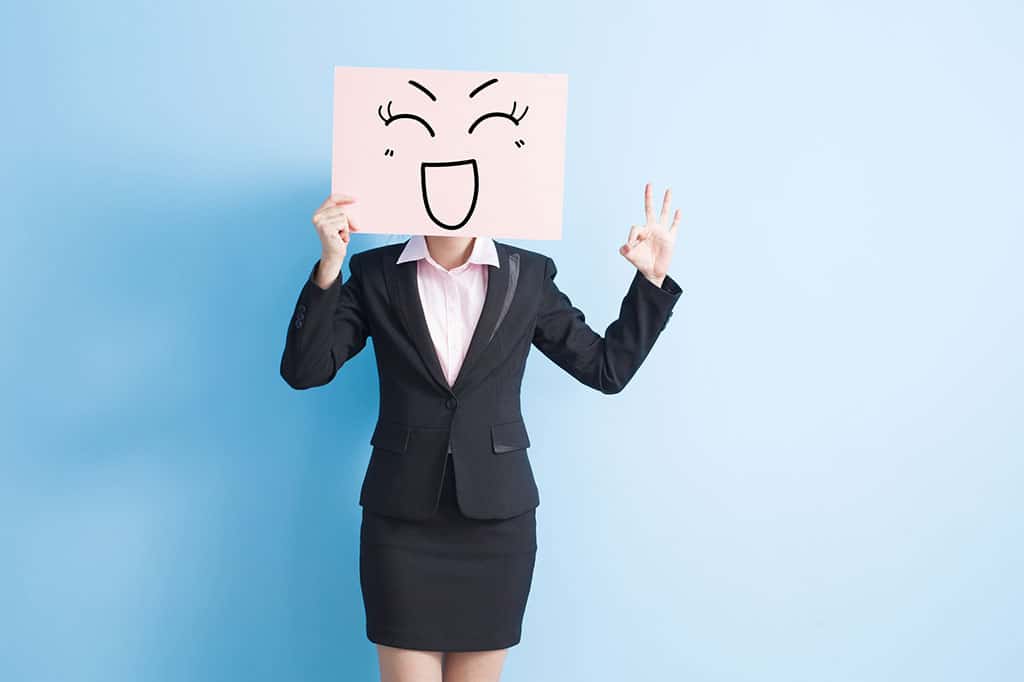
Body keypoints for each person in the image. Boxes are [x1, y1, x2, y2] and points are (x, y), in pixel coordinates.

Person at [280, 184, 683, 682]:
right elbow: (306, 370)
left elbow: (606, 369)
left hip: (497, 524)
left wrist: (652, 280)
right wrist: (328, 267)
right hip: (401, 523)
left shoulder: (528, 274)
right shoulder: (374, 273)